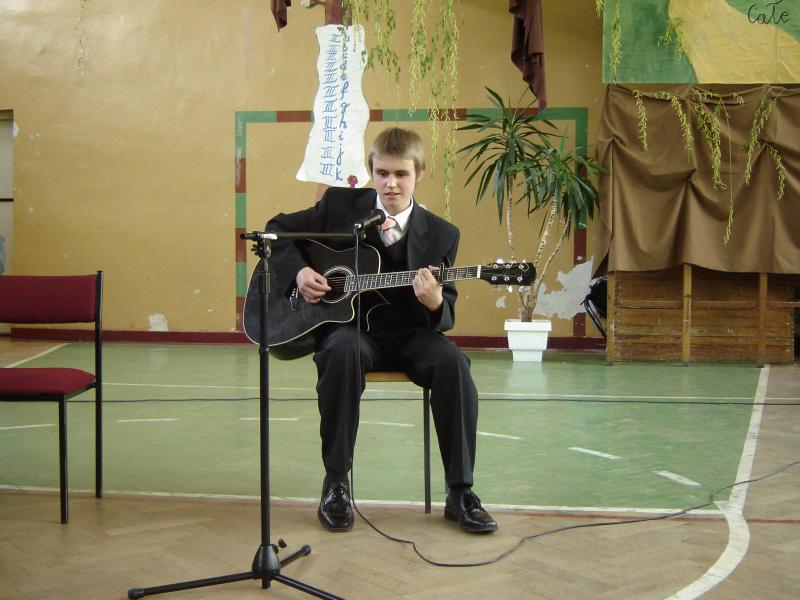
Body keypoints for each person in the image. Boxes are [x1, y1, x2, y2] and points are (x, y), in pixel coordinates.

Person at [266, 127, 497, 534]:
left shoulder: (443, 234)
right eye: (383, 173)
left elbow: (446, 314)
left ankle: (461, 492)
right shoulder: (340, 206)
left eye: (401, 174)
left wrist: (435, 302)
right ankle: (336, 484)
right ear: (371, 170)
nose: (391, 183)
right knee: (340, 352)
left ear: (419, 173)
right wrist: (299, 271)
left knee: (454, 363)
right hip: (352, 331)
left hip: (412, 335)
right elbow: (276, 230)